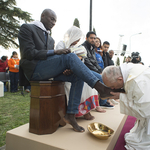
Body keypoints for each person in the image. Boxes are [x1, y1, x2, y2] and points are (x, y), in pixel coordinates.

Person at [18, 9, 121, 132]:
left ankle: (71, 115)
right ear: (43, 16)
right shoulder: (27, 28)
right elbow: (28, 53)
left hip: (47, 70)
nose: (53, 23)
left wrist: (65, 68)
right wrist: (56, 52)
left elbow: (51, 61)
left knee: (77, 75)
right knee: (70, 56)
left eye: (55, 21)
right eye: (51, 19)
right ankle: (102, 88)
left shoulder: (50, 39)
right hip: (35, 70)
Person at [56, 26, 105, 120]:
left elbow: (80, 59)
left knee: (90, 83)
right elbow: (59, 59)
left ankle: (86, 110)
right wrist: (68, 68)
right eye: (77, 38)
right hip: (63, 72)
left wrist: (72, 68)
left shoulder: (78, 47)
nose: (78, 40)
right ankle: (78, 112)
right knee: (81, 81)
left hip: (74, 70)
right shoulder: (61, 44)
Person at [102, 63, 150, 150]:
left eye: (112, 86)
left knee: (140, 145)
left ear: (120, 79)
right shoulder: (127, 70)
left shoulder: (138, 81)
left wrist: (120, 96)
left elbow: (144, 111)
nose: (112, 88)